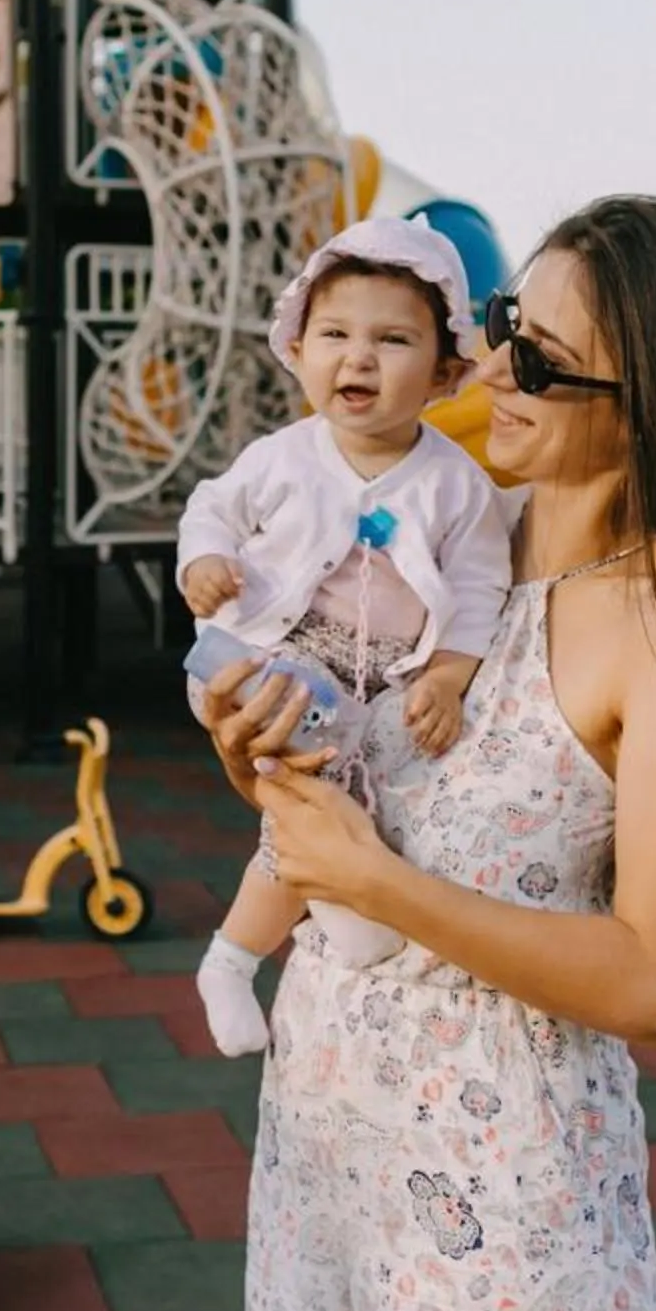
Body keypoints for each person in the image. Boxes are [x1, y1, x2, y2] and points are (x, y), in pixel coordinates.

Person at [203, 194, 656, 1311]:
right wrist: (261, 758)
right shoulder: (449, 529)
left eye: (542, 358)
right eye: (501, 323)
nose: (488, 365)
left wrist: (382, 885)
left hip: (498, 1225)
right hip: (326, 1161)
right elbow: (351, 791)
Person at [176, 214, 514, 1059]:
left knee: (360, 788)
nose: (357, 358)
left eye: (391, 340)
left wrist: (444, 675)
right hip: (257, 660)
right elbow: (210, 508)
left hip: (372, 682)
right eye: (334, 334)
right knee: (317, 786)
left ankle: (236, 951)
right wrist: (205, 563)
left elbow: (480, 587)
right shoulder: (281, 457)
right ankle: (304, 918)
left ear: (442, 373)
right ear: (300, 349)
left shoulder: (454, 484)